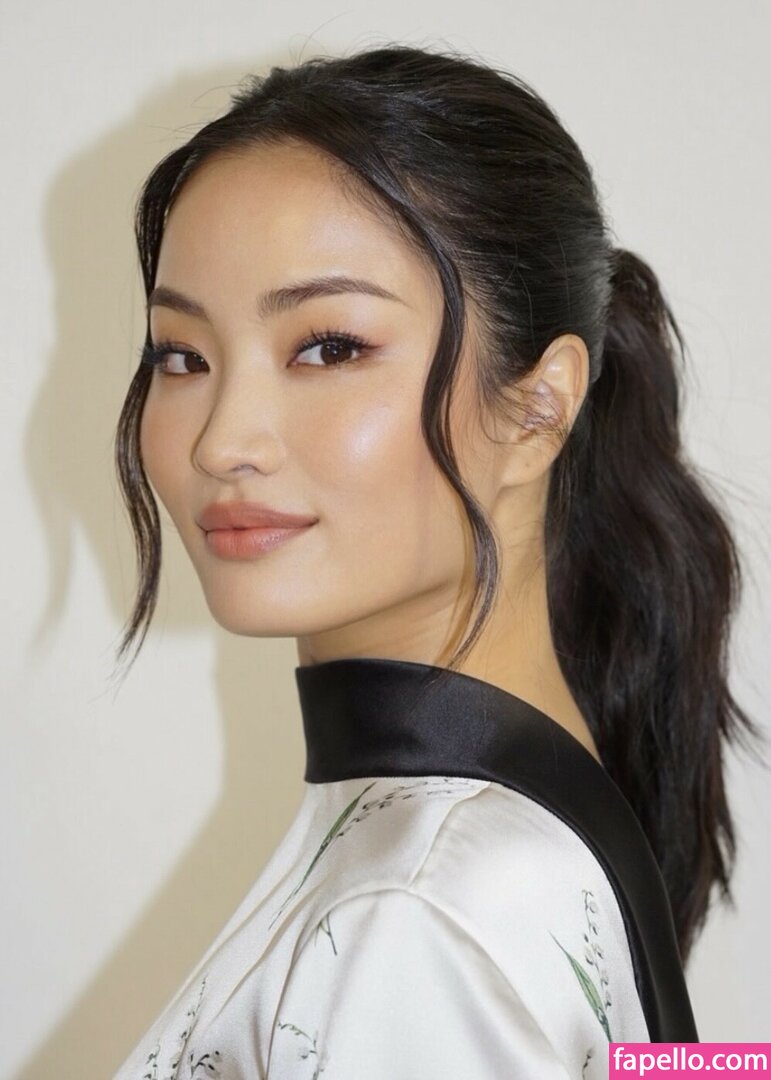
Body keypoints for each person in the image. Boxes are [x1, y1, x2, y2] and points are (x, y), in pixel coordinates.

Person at [112, 43, 757, 1079]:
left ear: (536, 407)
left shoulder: (414, 911)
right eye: (181, 355)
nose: (221, 441)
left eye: (329, 346)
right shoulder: (465, 853)